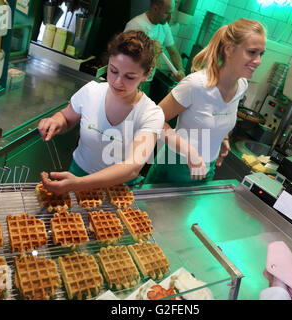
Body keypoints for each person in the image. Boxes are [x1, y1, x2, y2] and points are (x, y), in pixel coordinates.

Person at [38, 30, 165, 194]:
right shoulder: (92, 91)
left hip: (117, 191)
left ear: (146, 74)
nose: (118, 82)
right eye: (113, 71)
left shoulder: (150, 114)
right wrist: (55, 121)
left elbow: (133, 167)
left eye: (129, 76)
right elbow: (65, 117)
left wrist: (80, 184)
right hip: (77, 175)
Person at [144, 18, 266, 184]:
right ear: (229, 49)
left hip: (207, 168)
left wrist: (223, 139)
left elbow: (218, 116)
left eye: (261, 54)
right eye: (252, 52)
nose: (258, 61)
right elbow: (154, 120)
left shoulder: (242, 86)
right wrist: (190, 152)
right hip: (174, 167)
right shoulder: (196, 85)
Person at [124, 0, 185, 96]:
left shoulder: (164, 26)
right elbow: (124, 56)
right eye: (167, 13)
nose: (170, 17)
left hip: (146, 82)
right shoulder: (136, 25)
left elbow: (173, 51)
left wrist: (180, 69)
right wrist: (150, 48)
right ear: (155, 8)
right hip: (130, 81)